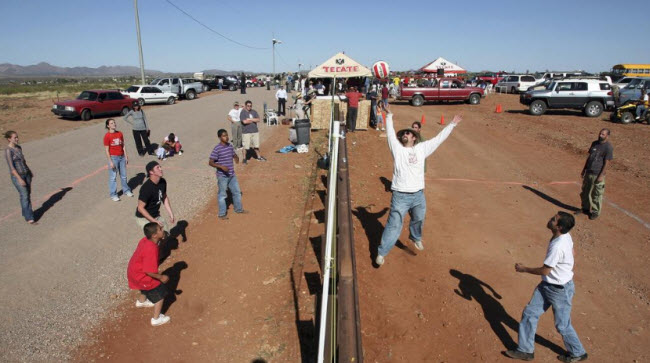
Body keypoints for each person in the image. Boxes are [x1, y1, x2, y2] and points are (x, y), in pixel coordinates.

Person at [375, 104, 462, 266]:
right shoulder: (397, 150)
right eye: (404, 133)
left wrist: (452, 124)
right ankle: (382, 252)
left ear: (414, 137)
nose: (405, 134)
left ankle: (415, 238)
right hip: (400, 195)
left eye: (408, 133)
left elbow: (438, 139)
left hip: (418, 195)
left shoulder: (422, 148)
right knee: (394, 225)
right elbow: (390, 135)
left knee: (419, 218)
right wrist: (389, 116)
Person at [505, 212, 588, 362]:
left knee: (562, 325)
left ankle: (578, 352)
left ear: (559, 227)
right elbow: (573, 253)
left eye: (554, 220)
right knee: (530, 313)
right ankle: (525, 350)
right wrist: (565, 269)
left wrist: (524, 269)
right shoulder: (565, 236)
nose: (550, 219)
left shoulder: (558, 246)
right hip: (548, 285)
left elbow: (545, 270)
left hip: (559, 290)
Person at [127, 222, 171, 326]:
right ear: (154, 235)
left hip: (133, 271)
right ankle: (156, 319)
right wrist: (161, 277)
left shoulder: (145, 240)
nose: (162, 229)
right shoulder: (151, 249)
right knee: (160, 293)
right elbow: (149, 271)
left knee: (146, 287)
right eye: (160, 229)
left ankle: (141, 302)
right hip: (141, 275)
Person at [209, 129, 247, 220]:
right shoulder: (217, 149)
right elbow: (210, 162)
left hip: (232, 175)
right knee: (222, 195)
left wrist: (236, 158)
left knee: (237, 192)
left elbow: (233, 154)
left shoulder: (230, 146)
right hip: (222, 176)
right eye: (224, 136)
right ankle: (222, 214)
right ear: (219, 137)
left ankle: (238, 209)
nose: (226, 137)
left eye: (227, 135)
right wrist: (221, 167)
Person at [579, 129, 613, 220]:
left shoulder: (608, 147)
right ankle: (585, 208)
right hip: (589, 172)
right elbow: (589, 157)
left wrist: (601, 175)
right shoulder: (594, 143)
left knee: (596, 194)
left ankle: (595, 212)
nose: (600, 135)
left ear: (607, 136)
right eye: (600, 133)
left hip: (597, 173)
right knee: (585, 192)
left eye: (603, 134)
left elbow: (607, 162)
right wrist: (584, 169)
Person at [4, 131, 36, 224]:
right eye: (15, 138)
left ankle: (26, 213)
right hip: (18, 176)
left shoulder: (19, 147)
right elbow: (12, 168)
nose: (17, 139)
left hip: (26, 174)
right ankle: (30, 218)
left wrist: (30, 171)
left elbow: (23, 161)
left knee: (28, 194)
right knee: (24, 196)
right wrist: (19, 179)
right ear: (9, 139)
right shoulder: (8, 151)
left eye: (17, 137)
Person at [135, 161, 175, 233]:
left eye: (160, 167)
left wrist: (170, 213)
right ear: (151, 172)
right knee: (155, 236)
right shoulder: (146, 188)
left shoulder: (162, 182)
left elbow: (164, 197)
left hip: (155, 215)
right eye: (158, 168)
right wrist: (154, 221)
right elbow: (140, 208)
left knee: (166, 233)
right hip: (143, 218)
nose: (161, 169)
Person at [104, 119, 133, 201]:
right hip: (114, 158)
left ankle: (126, 190)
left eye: (114, 122)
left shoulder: (120, 133)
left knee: (123, 176)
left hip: (122, 157)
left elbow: (123, 145)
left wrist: (126, 156)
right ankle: (113, 194)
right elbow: (107, 150)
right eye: (111, 123)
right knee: (113, 177)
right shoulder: (107, 136)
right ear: (108, 126)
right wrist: (110, 161)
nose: (114, 124)